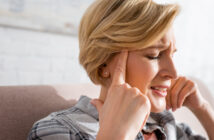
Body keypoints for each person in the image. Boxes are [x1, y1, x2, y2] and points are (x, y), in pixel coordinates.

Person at [28, 0, 214, 139]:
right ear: (103, 63)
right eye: (154, 55)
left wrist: (203, 109)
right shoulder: (58, 130)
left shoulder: (168, 126)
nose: (173, 72)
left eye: (172, 55)